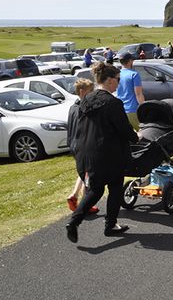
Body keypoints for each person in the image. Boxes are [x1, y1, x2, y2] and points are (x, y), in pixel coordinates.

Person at [65, 62, 139, 243]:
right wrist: (137, 136)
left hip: (86, 153)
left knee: (95, 190)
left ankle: (74, 221)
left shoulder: (86, 100)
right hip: (109, 154)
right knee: (115, 187)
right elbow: (124, 129)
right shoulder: (113, 103)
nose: (119, 84)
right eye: (118, 80)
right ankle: (110, 224)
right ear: (110, 80)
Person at [66, 78, 98, 214]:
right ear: (82, 91)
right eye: (91, 91)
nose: (93, 93)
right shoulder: (84, 109)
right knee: (89, 174)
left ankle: (74, 195)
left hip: (73, 143)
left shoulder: (73, 107)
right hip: (83, 144)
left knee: (83, 171)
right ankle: (86, 203)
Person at [115, 53, 145, 130]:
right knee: (142, 133)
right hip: (132, 109)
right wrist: (144, 107)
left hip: (120, 110)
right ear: (130, 61)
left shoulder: (117, 75)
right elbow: (138, 94)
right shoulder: (134, 74)